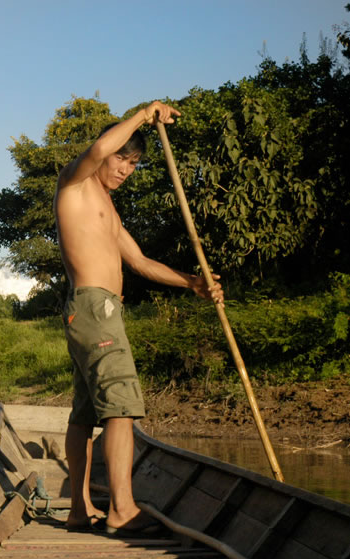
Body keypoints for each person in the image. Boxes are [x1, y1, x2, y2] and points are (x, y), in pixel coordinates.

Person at [53, 101, 224, 535]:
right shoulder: (73, 184)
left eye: (134, 163)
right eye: (122, 159)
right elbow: (96, 147)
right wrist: (145, 114)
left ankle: (79, 510)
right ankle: (122, 510)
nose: (126, 169)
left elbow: (142, 262)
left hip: (94, 313)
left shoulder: (109, 210)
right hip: (95, 308)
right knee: (122, 410)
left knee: (83, 415)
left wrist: (192, 283)